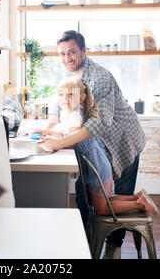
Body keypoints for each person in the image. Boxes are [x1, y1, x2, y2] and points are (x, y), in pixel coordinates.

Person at [39, 30, 148, 259]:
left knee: (115, 200)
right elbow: (59, 110)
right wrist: (46, 130)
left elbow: (98, 124)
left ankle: (112, 249)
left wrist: (57, 144)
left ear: (84, 52)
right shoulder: (70, 79)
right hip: (99, 146)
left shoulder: (100, 78)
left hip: (123, 142)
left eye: (72, 52)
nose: (67, 58)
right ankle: (86, 246)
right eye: (62, 54)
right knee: (83, 194)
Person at [35, 76, 159, 218]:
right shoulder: (68, 113)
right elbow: (65, 133)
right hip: (96, 164)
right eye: (61, 94)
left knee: (102, 208)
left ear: (81, 98)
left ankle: (140, 204)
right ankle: (136, 198)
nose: (65, 98)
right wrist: (46, 132)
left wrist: (55, 145)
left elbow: (73, 140)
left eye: (70, 94)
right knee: (106, 200)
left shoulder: (76, 115)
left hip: (98, 167)